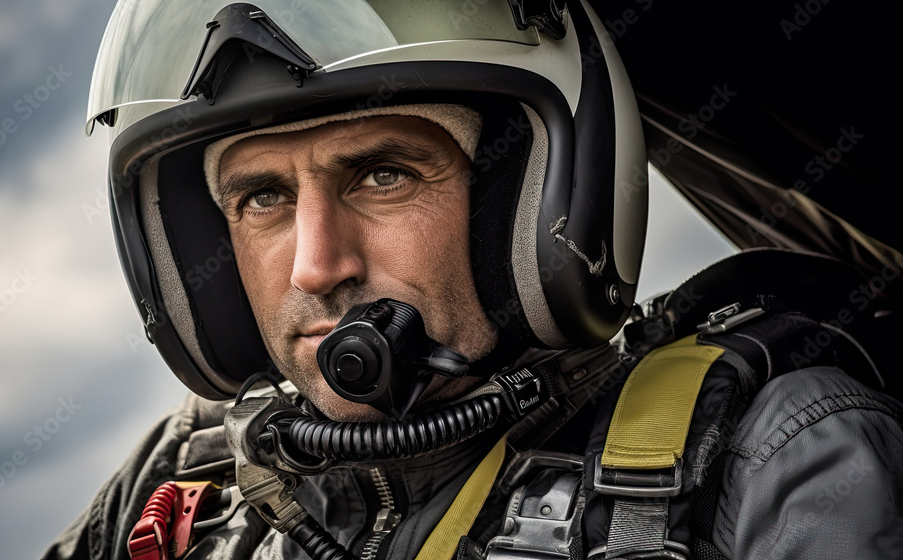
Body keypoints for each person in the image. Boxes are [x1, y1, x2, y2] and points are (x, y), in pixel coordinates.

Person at [46, 1, 903, 559]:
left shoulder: (768, 457)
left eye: (382, 175)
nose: (315, 264)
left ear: (523, 204)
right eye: (262, 196)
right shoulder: (178, 488)